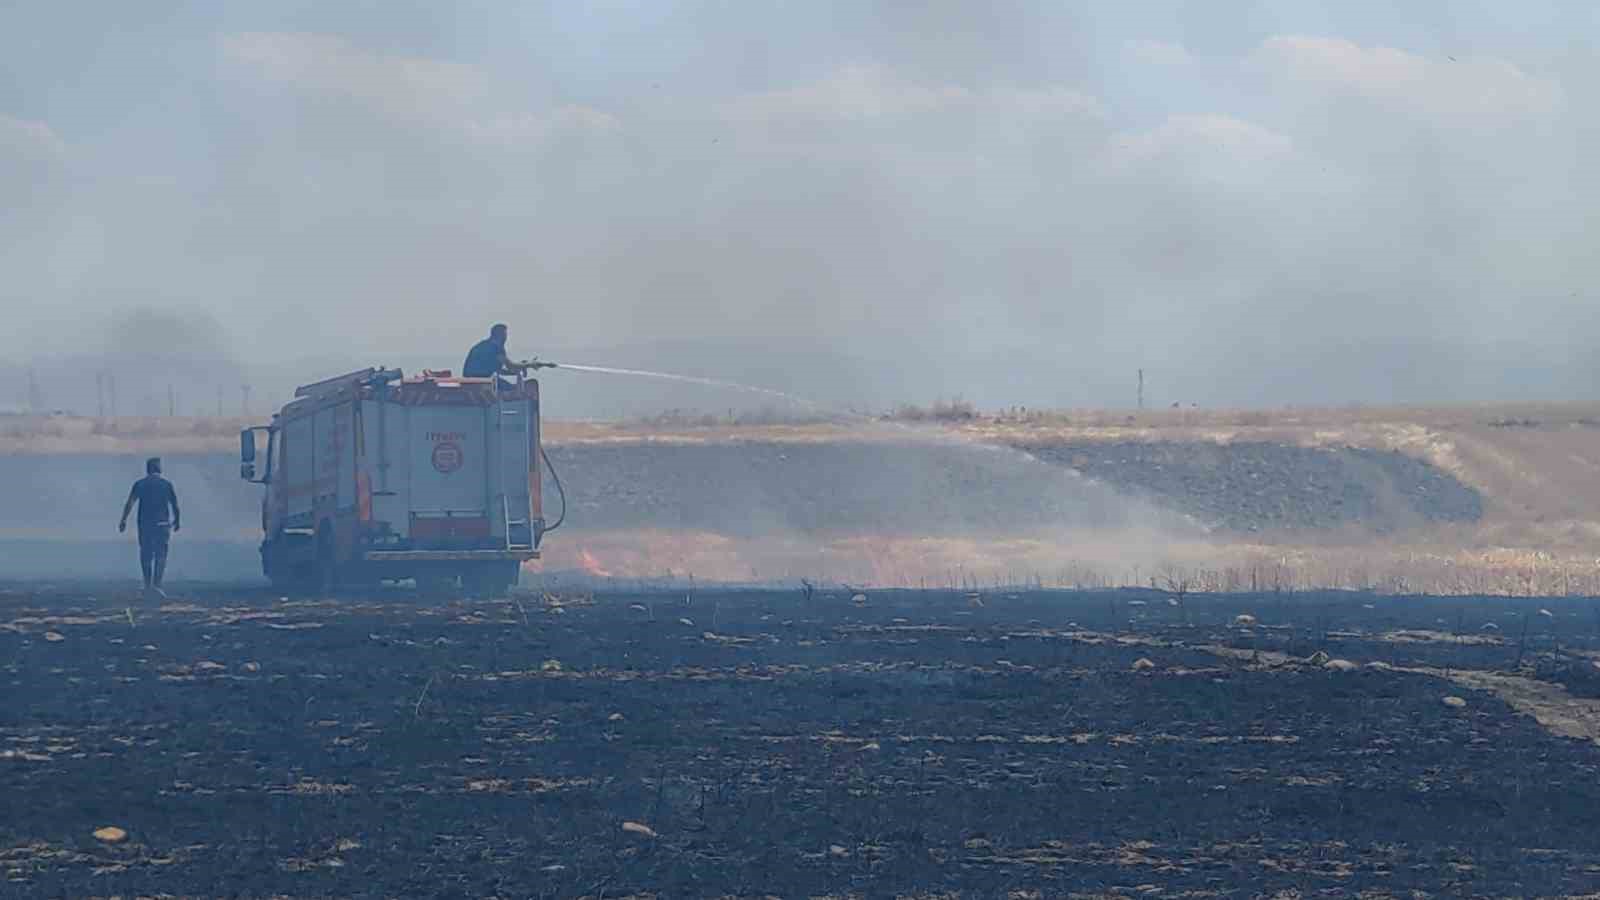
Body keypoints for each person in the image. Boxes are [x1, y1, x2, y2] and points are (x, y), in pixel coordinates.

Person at [118, 457, 180, 599]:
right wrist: (177, 521)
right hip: (163, 524)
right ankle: (157, 585)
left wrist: (123, 520)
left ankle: (147, 585)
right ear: (159, 469)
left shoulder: (140, 484)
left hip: (145, 525)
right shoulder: (167, 484)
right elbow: (175, 504)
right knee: (161, 555)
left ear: (147, 469)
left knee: (146, 554)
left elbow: (130, 503)